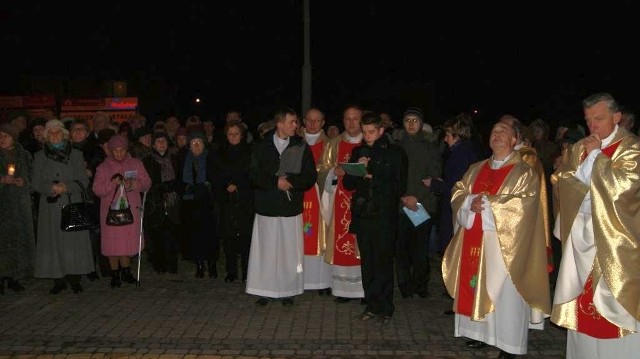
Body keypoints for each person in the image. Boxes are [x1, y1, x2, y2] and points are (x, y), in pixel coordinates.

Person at [442, 120, 550, 359]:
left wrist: (488, 204)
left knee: (506, 296)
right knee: (475, 283)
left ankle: (509, 344)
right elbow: (458, 192)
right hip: (475, 237)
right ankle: (480, 335)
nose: (497, 134)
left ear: (514, 140)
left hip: (507, 246)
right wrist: (470, 203)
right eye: (494, 131)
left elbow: (525, 205)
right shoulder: (475, 168)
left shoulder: (524, 171)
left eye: (504, 131)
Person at [550, 92, 640, 359]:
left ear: (617, 117)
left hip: (616, 243)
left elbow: (625, 188)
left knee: (616, 306)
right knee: (583, 308)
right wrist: (581, 172)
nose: (593, 126)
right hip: (581, 239)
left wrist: (595, 158)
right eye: (588, 120)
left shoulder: (632, 148)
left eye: (599, 119)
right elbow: (561, 182)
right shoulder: (578, 148)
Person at [246, 107, 317, 306]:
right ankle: (264, 289)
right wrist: (274, 182)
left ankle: (288, 290)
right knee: (266, 251)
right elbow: (252, 175)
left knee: (289, 251)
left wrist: (291, 183)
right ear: (279, 123)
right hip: (267, 206)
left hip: (289, 206)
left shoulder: (301, 145)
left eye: (296, 122)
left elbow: (309, 176)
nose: (296, 125)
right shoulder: (260, 145)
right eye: (292, 122)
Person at [343, 111, 407, 324]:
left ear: (381, 130)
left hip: (384, 216)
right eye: (365, 132)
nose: (368, 136)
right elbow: (348, 185)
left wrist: (374, 175)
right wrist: (356, 171)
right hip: (363, 215)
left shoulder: (395, 153)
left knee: (383, 262)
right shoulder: (358, 151)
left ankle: (386, 308)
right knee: (367, 262)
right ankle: (371, 305)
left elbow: (399, 186)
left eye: (372, 132)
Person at [32, 119, 94, 294]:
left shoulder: (76, 155)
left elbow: (84, 180)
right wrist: (50, 188)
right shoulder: (39, 157)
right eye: (51, 133)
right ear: (46, 137)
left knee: (74, 243)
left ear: (64, 135)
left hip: (71, 203)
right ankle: (58, 279)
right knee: (53, 243)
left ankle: (75, 278)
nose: (55, 135)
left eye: (58, 132)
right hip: (50, 206)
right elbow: (35, 182)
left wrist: (66, 187)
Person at [317, 104, 366, 302]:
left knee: (362, 243)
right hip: (340, 200)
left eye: (355, 118)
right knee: (341, 240)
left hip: (363, 201)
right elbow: (322, 168)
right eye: (347, 119)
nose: (351, 122)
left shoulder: (369, 140)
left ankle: (364, 289)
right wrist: (332, 173)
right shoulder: (334, 143)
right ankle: (344, 291)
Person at [393, 107, 441, 299]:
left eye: (415, 120)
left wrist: (416, 198)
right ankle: (404, 286)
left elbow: (435, 175)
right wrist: (402, 197)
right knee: (401, 248)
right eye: (408, 120)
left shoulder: (430, 146)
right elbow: (392, 175)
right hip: (401, 204)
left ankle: (420, 285)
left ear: (421, 124)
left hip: (423, 205)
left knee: (420, 249)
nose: (411, 124)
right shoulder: (396, 145)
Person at [92, 134, 152, 288]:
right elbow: (97, 189)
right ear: (111, 151)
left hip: (131, 209)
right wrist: (112, 184)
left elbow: (147, 182)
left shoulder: (136, 163)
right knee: (113, 244)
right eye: (116, 150)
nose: (119, 153)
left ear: (127, 149)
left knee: (126, 242)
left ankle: (126, 271)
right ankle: (115, 274)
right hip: (110, 212)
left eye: (122, 150)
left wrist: (133, 184)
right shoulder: (103, 167)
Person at [213, 121, 254, 283]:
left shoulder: (250, 152)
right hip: (227, 201)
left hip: (245, 200)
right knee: (229, 238)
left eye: (236, 133)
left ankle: (246, 271)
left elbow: (252, 174)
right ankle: (231, 271)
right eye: (230, 134)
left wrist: (239, 185)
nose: (234, 137)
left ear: (242, 135)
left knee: (245, 238)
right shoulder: (219, 153)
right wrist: (226, 185)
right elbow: (215, 174)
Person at [176, 127, 219, 279]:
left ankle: (212, 264)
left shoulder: (211, 158)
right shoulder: (183, 159)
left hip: (208, 203)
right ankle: (199, 264)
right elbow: (178, 181)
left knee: (210, 235)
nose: (196, 146)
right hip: (190, 203)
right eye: (193, 142)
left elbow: (217, 179)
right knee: (194, 236)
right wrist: (188, 188)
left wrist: (206, 187)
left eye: (199, 142)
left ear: (204, 144)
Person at [0, 123, 35, 294]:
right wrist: (2, 180)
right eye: (0, 136)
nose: (2, 139)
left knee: (17, 240)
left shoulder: (24, 155)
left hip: (19, 205)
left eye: (5, 136)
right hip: (3, 206)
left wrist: (25, 182)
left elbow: (33, 177)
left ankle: (15, 276)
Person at [300, 108, 332, 295]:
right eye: (309, 120)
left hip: (321, 199)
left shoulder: (329, 144)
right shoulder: (295, 142)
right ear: (304, 121)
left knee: (321, 237)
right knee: (300, 237)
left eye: (316, 120)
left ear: (323, 123)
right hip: (298, 198)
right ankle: (300, 280)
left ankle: (321, 282)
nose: (312, 124)